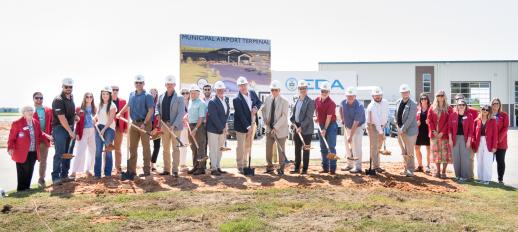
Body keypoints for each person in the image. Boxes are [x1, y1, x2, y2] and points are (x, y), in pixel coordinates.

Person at [117, 75, 155, 178]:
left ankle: (147, 171)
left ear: (144, 83)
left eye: (140, 82)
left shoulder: (148, 96)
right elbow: (128, 105)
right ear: (134, 83)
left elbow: (151, 110)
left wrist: (144, 123)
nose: (138, 84)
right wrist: (120, 113)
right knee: (132, 147)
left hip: (145, 124)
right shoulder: (131, 94)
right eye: (137, 82)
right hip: (133, 124)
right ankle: (131, 171)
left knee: (146, 148)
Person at [8, 106, 48, 191]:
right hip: (21, 152)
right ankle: (21, 189)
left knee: (30, 170)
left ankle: (27, 188)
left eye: (31, 110)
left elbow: (40, 134)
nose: (31, 112)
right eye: (28, 110)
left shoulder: (35, 122)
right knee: (22, 172)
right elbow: (11, 138)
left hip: (33, 151)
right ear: (23, 113)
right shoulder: (17, 123)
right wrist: (10, 147)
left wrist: (48, 137)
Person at [155, 75, 185, 177]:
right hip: (164, 126)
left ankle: (175, 170)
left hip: (175, 127)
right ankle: (167, 169)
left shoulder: (180, 97)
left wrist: (174, 125)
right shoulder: (161, 96)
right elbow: (157, 107)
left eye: (171, 84)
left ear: (174, 85)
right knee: (165, 149)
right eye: (168, 84)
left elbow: (181, 112)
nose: (169, 86)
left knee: (175, 149)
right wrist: (157, 114)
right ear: (165, 85)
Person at [233, 76, 262, 174]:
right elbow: (241, 115)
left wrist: (256, 108)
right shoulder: (237, 99)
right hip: (242, 126)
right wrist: (248, 127)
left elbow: (259, 102)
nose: (243, 87)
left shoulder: (252, 93)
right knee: (241, 147)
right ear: (238, 87)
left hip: (253, 123)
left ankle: (246, 165)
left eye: (244, 85)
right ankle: (240, 165)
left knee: (248, 146)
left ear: (247, 85)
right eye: (240, 86)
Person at [51, 78, 76, 185]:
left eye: (70, 87)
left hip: (69, 128)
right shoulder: (58, 100)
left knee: (68, 153)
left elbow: (69, 114)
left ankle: (64, 175)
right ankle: (56, 177)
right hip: (60, 129)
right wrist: (70, 131)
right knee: (59, 153)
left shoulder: (71, 98)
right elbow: (62, 118)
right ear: (62, 86)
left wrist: (75, 116)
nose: (68, 89)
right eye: (66, 87)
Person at [261, 80, 289, 175]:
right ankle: (269, 166)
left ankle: (281, 168)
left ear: (279, 90)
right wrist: (265, 119)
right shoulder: (268, 99)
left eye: (276, 90)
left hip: (280, 130)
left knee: (280, 150)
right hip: (269, 129)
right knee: (268, 148)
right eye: (272, 90)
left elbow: (284, 116)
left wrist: (276, 127)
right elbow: (263, 110)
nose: (274, 92)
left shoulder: (284, 101)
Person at [290, 80, 315, 175]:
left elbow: (309, 117)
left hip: (306, 129)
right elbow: (294, 114)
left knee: (306, 149)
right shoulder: (297, 100)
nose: (302, 90)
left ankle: (304, 169)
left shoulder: (310, 101)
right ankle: (297, 168)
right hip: (297, 127)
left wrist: (301, 126)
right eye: (301, 88)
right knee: (297, 148)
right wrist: (292, 121)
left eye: (304, 88)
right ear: (298, 89)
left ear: (307, 89)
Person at [70, 92, 96, 178]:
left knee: (92, 151)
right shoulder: (79, 108)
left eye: (91, 97)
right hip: (83, 131)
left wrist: (96, 120)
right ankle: (74, 171)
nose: (89, 98)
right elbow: (77, 122)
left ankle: (88, 170)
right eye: (87, 97)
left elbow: (97, 119)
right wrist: (77, 133)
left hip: (92, 131)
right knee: (80, 151)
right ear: (84, 98)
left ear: (92, 98)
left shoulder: (94, 108)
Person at [340, 86, 365, 174]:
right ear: (346, 96)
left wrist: (350, 136)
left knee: (356, 147)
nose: (350, 98)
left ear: (355, 96)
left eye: (352, 96)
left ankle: (358, 167)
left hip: (357, 127)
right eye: (348, 96)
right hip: (347, 127)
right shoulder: (343, 102)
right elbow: (341, 109)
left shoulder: (359, 106)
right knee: (347, 146)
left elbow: (356, 122)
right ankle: (349, 164)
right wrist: (342, 119)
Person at [206, 81, 230, 176]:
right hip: (213, 130)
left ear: (224, 90)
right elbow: (214, 117)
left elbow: (226, 115)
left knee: (220, 149)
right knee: (213, 149)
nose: (220, 91)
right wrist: (222, 127)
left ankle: (218, 166)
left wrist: (225, 125)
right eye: (218, 89)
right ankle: (214, 168)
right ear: (215, 90)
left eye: (221, 89)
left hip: (222, 129)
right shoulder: (212, 101)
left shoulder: (225, 100)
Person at [394, 84, 418, 177]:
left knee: (410, 151)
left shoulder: (413, 103)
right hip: (400, 130)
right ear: (401, 93)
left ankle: (410, 169)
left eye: (406, 92)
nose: (404, 93)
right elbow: (395, 115)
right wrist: (397, 126)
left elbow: (410, 119)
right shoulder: (398, 102)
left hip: (410, 131)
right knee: (403, 150)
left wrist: (402, 129)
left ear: (409, 93)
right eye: (403, 92)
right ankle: (405, 168)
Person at [315, 81, 338, 175]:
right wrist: (316, 118)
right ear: (320, 91)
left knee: (331, 147)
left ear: (329, 92)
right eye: (322, 91)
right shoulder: (316, 100)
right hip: (321, 125)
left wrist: (324, 129)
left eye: (326, 91)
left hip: (331, 125)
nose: (324, 93)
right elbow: (316, 111)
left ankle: (332, 169)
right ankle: (325, 167)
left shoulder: (332, 103)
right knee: (323, 147)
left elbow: (328, 118)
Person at [448, 99, 474, 182]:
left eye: (463, 105)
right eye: (459, 105)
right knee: (456, 157)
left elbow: (471, 129)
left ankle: (464, 176)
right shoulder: (452, 115)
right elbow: (449, 129)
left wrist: (469, 141)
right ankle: (458, 175)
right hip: (455, 138)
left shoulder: (469, 115)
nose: (461, 106)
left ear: (465, 106)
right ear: (457, 106)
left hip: (465, 138)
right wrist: (450, 139)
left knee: (464, 158)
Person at [94, 86, 117, 178]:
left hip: (109, 129)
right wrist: (94, 118)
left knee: (108, 150)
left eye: (107, 94)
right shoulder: (99, 104)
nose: (105, 95)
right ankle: (97, 174)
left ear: (110, 95)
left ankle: (107, 173)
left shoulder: (112, 105)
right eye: (103, 94)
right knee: (98, 151)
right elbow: (97, 115)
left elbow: (111, 120)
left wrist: (103, 129)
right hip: (98, 128)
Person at [428, 90, 452, 179]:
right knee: (436, 154)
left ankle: (444, 172)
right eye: (438, 95)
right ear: (436, 97)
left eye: (442, 95)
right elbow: (429, 120)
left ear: (444, 96)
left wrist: (442, 132)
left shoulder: (449, 108)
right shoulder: (432, 107)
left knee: (445, 154)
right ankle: (438, 171)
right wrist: (434, 131)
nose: (440, 97)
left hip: (444, 135)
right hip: (434, 135)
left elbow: (449, 122)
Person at [471, 105, 498, 185]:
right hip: (479, 142)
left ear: (489, 111)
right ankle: (480, 178)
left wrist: (494, 146)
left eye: (487, 110)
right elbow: (473, 134)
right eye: (483, 109)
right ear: (481, 110)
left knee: (487, 161)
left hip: (489, 143)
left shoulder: (493, 121)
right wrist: (473, 144)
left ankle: (486, 179)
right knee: (479, 161)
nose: (485, 111)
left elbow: (495, 135)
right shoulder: (476, 120)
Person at [366, 86, 389, 173]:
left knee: (379, 146)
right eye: (376, 95)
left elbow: (386, 115)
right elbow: (375, 119)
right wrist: (380, 131)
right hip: (372, 126)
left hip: (381, 126)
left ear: (381, 95)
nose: (378, 96)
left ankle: (376, 164)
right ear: (373, 96)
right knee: (374, 146)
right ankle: (376, 167)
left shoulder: (385, 103)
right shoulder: (371, 106)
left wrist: (383, 127)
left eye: (379, 95)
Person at [32, 92, 53, 188]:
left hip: (44, 139)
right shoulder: (30, 110)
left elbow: (54, 121)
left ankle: (41, 179)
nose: (39, 100)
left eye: (41, 98)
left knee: (43, 160)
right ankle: (25, 182)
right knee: (29, 160)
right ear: (33, 99)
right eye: (37, 98)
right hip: (32, 139)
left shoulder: (48, 110)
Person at [186, 85, 208, 175]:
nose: (192, 94)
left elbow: (201, 117)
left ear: (198, 93)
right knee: (193, 147)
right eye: (191, 93)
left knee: (200, 146)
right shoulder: (191, 102)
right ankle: (195, 166)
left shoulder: (201, 103)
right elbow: (190, 113)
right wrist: (186, 116)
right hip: (190, 126)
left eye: (194, 93)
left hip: (199, 127)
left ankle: (201, 167)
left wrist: (195, 129)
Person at [491, 98, 509, 184]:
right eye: (494, 103)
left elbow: (505, 128)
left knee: (500, 161)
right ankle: (487, 177)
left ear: (500, 104)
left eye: (497, 103)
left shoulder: (504, 115)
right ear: (491, 105)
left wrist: (498, 139)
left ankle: (500, 179)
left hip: (501, 143)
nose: (495, 105)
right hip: (490, 143)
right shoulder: (488, 114)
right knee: (489, 160)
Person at [111, 85, 128, 174]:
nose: (115, 91)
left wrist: (125, 127)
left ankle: (118, 168)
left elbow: (126, 114)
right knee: (108, 148)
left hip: (119, 128)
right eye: (113, 90)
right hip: (109, 128)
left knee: (118, 148)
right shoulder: (106, 101)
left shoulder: (123, 101)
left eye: (117, 90)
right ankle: (107, 168)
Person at [415, 93, 432, 173]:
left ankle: (428, 166)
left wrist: (430, 122)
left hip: (428, 130)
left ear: (427, 100)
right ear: (420, 100)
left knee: (428, 149)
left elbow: (435, 120)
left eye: (425, 99)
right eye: (422, 99)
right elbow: (413, 119)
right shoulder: (417, 109)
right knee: (417, 148)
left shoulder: (431, 108)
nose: (423, 100)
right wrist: (416, 123)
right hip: (419, 131)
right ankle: (420, 165)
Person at [149, 88, 161, 172]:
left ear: (157, 94)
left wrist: (157, 126)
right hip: (148, 126)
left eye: (155, 92)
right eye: (151, 92)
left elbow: (160, 115)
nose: (153, 94)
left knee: (157, 146)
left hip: (156, 126)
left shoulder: (159, 103)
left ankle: (153, 163)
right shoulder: (147, 102)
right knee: (146, 145)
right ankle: (147, 164)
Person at [179, 88, 190, 170]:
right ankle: (182, 164)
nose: (185, 94)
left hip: (191, 126)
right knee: (183, 145)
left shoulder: (191, 102)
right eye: (183, 93)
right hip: (182, 127)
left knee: (188, 145)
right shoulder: (179, 103)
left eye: (187, 93)